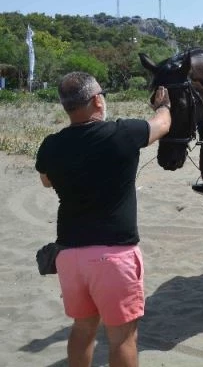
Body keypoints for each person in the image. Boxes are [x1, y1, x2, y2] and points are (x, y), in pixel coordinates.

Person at [35, 72, 172, 367]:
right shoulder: (122, 133)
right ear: (97, 100)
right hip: (113, 256)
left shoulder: (51, 145)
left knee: (83, 329)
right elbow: (163, 125)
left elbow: (46, 181)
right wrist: (163, 105)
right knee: (122, 337)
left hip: (69, 256)